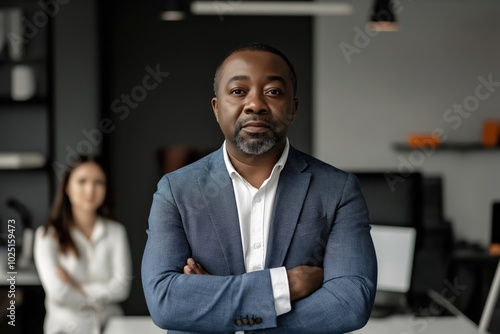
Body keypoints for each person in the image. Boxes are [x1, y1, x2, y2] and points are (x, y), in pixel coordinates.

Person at [142, 42, 377, 334]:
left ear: (293, 108)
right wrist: (286, 286)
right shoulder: (176, 191)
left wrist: (217, 311)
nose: (255, 104)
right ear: (217, 108)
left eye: (274, 92)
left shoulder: (338, 190)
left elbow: (350, 303)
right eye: (239, 91)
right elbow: (165, 302)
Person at [34, 155, 132, 334]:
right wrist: (101, 294)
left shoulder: (116, 231)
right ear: (67, 188)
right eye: (82, 181)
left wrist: (77, 286)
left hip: (112, 326)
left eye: (98, 182)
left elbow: (122, 288)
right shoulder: (47, 235)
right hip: (66, 329)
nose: (90, 189)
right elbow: (59, 294)